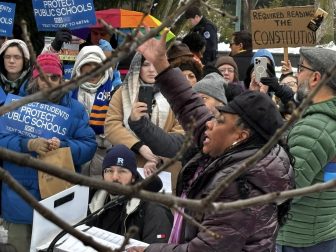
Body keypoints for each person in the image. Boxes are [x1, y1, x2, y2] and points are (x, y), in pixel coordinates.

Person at [127, 30, 294, 252]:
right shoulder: (232, 147)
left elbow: (205, 249)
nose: (209, 123)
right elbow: (190, 106)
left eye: (220, 120)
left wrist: (149, 251)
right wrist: (160, 64)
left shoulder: (239, 187)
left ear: (241, 135)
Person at [0, 53, 97, 252]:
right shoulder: (15, 105)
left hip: (58, 201)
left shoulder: (76, 110)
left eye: (54, 77)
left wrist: (63, 146)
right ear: (35, 78)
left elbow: (89, 145)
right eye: (43, 76)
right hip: (19, 199)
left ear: (61, 79)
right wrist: (28, 144)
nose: (49, 81)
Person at [276, 47, 336, 251]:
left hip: (300, 240)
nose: (296, 75)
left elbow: (288, 192)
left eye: (301, 68)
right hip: (322, 230)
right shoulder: (327, 120)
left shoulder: (314, 128)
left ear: (315, 78)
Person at [104, 52, 183, 177]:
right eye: (146, 64)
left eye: (156, 64)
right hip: (128, 163)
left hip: (166, 165)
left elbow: (181, 130)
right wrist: (139, 146)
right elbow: (111, 126)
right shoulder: (122, 92)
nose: (151, 70)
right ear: (137, 67)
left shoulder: (175, 93)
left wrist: (158, 157)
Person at [128, 72, 228, 164]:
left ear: (221, 103)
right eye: (196, 98)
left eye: (204, 98)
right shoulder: (195, 133)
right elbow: (167, 144)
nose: (198, 103)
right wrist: (139, 122)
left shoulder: (234, 134)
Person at [88, 144, 173, 243]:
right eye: (109, 170)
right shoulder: (91, 200)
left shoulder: (155, 210)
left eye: (122, 171)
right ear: (103, 175)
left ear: (133, 177)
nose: (115, 177)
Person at [71, 45, 121, 177]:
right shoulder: (70, 89)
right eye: (87, 72)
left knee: (100, 187)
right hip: (78, 148)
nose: (92, 76)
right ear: (79, 69)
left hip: (104, 149)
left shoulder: (113, 89)